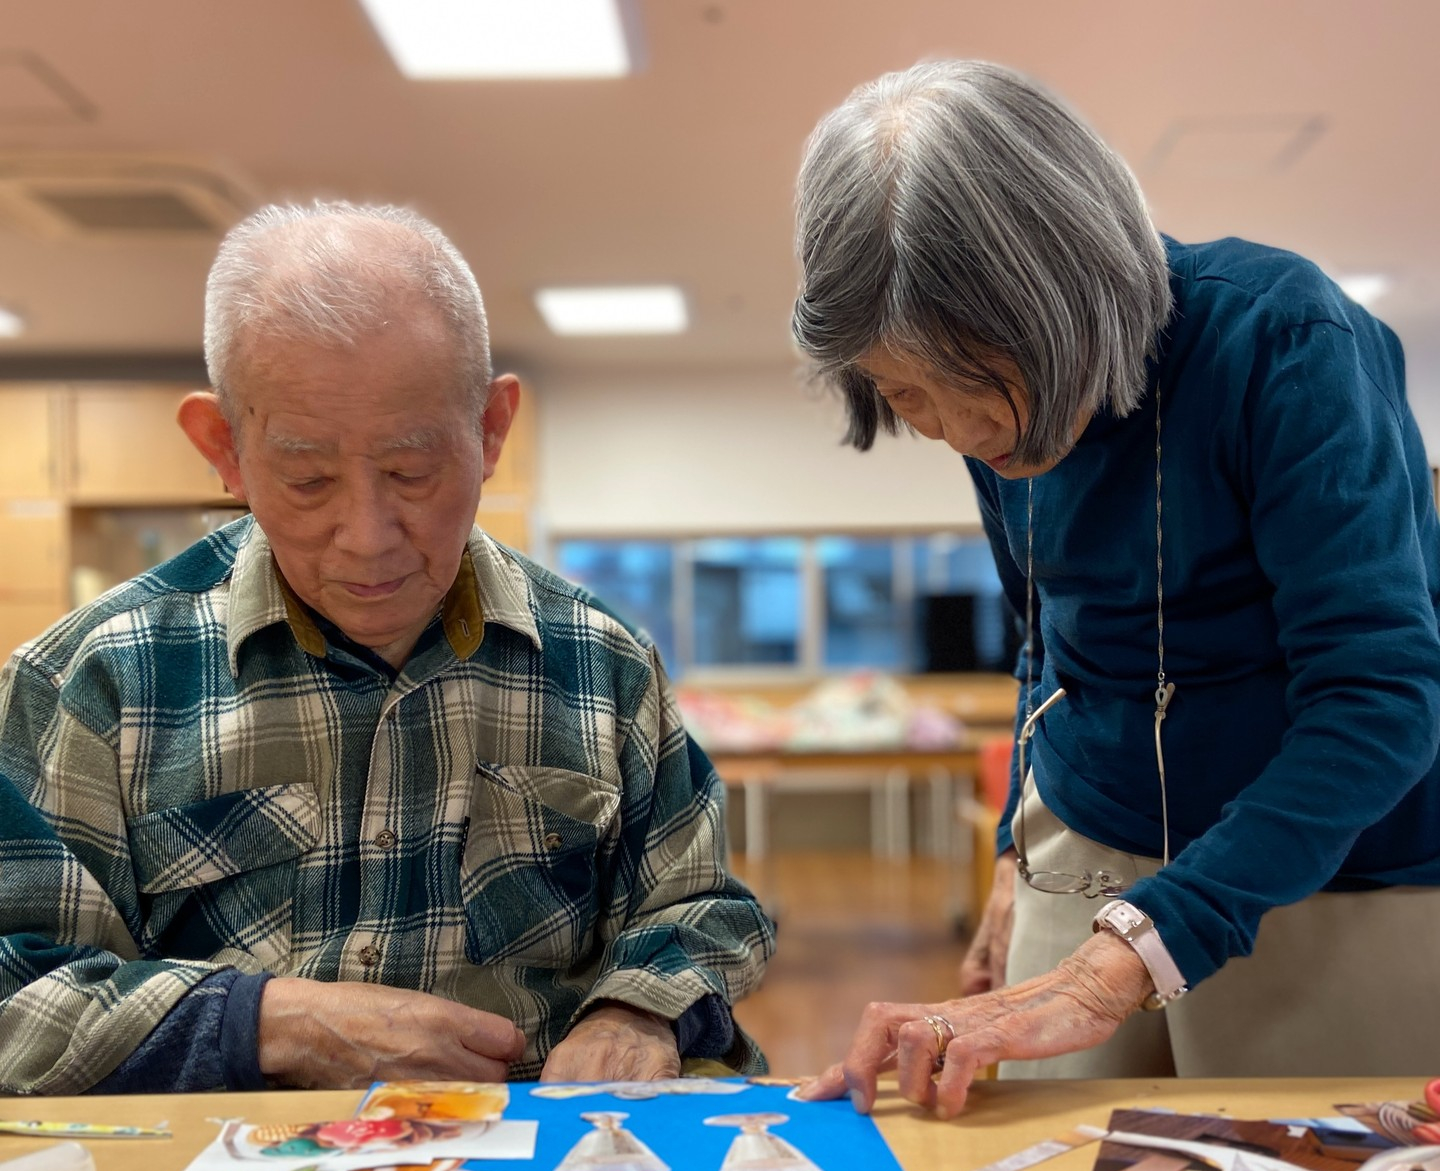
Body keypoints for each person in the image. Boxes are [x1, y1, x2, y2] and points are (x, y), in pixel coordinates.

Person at [0, 201, 774, 1095]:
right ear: (225, 450)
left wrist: (634, 1010)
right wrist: (267, 1023)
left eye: (412, 472)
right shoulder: (92, 681)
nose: (367, 537)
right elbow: (19, 998)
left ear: (490, 431)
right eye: (307, 479)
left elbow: (701, 907)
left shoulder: (601, 663)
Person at [790, 60, 1440, 1117]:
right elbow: (1045, 642)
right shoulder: (982, 408)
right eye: (908, 397)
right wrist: (1015, 849)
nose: (962, 434)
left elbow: (1379, 698)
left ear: (1067, 300)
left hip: (1326, 861)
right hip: (1087, 835)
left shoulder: (1285, 341)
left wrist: (1124, 960)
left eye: (976, 387)